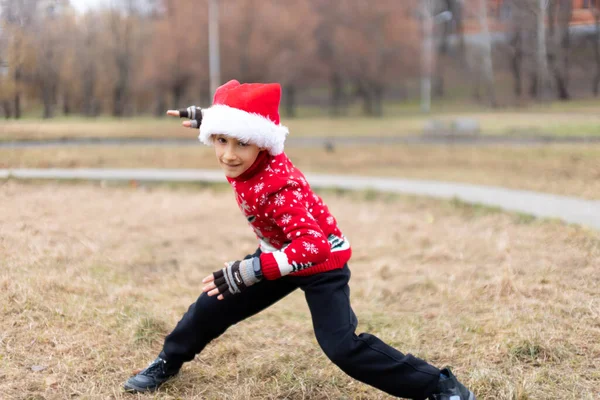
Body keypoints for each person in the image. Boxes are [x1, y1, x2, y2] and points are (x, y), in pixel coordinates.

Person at [123, 80, 476, 400]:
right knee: (212, 304)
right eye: (220, 140)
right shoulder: (246, 155)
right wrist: (210, 119)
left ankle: (440, 386)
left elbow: (314, 247)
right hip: (280, 253)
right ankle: (167, 361)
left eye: (241, 143)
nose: (229, 155)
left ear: (263, 143)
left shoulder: (280, 187)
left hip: (322, 263)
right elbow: (237, 132)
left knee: (342, 348)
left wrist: (252, 270)